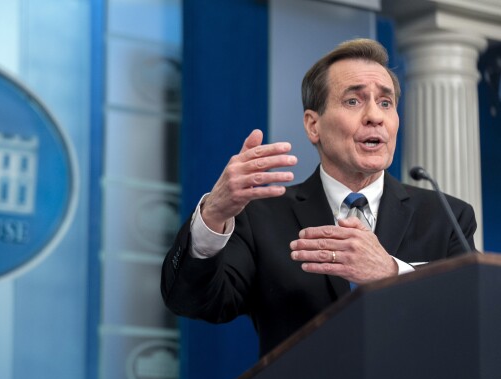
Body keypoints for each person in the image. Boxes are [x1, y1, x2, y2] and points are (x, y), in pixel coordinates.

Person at [161, 38, 477, 357]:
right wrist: (214, 213)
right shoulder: (261, 217)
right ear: (314, 126)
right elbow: (193, 302)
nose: (375, 117)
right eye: (354, 101)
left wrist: (392, 273)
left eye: (385, 103)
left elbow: (474, 317)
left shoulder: (447, 217)